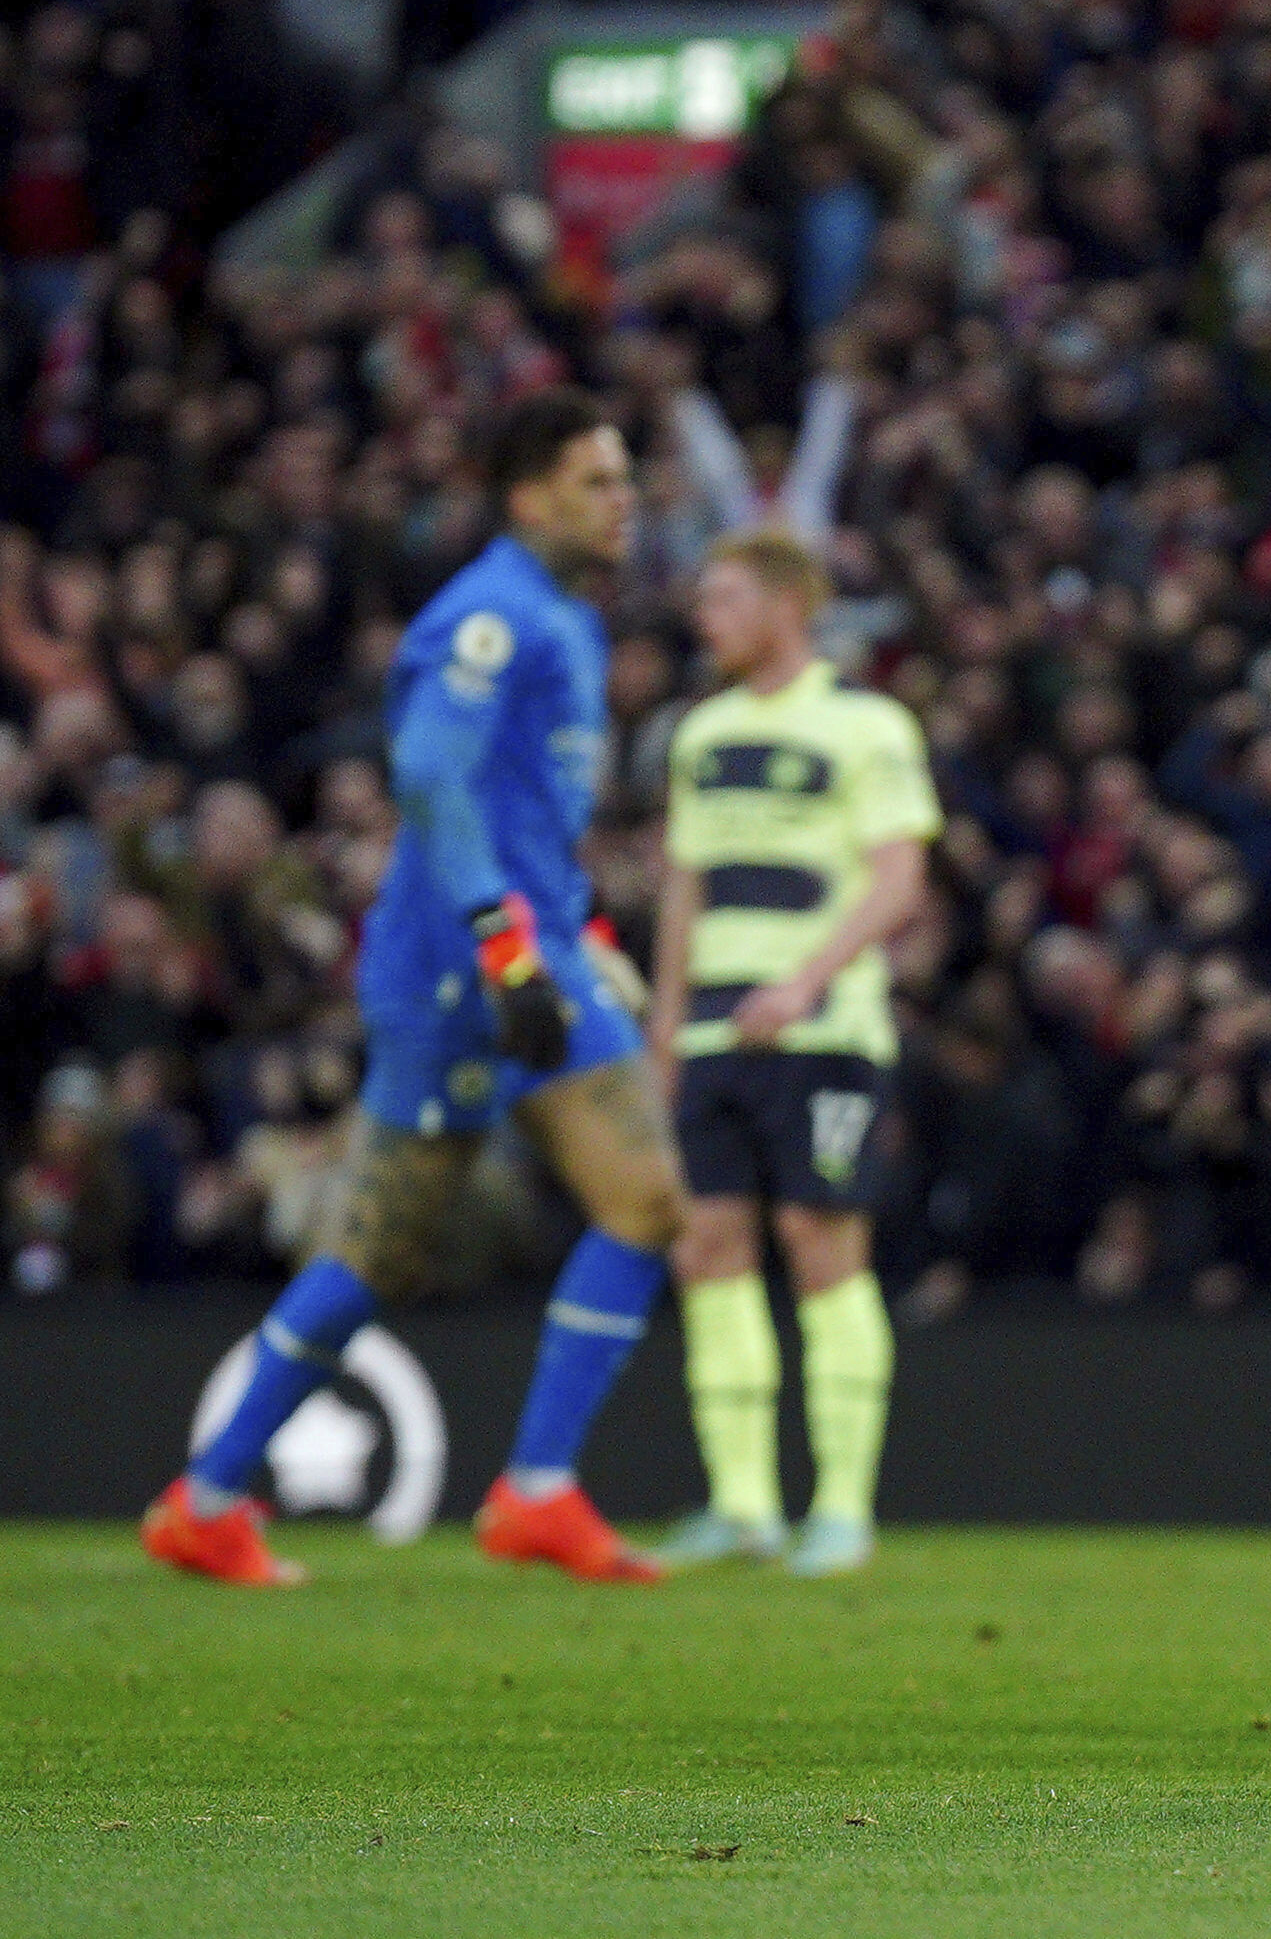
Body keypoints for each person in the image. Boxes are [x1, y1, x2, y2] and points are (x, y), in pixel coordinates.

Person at [144, 391, 684, 1586]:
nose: (622, 500)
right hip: (459, 973)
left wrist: (579, 924)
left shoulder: (569, 620)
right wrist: (504, 942)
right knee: (384, 1253)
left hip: (525, 954)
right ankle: (214, 1492)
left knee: (639, 1198)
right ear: (527, 493)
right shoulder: (490, 615)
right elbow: (429, 775)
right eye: (597, 479)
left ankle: (528, 1488)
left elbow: (525, 814)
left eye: (624, 478)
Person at [648, 529, 939, 1578]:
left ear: (786, 604)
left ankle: (842, 1510)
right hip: (713, 1034)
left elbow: (898, 878)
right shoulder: (699, 732)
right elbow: (683, 888)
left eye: (723, 596)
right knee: (708, 1248)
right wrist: (665, 1030)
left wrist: (805, 978)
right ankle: (742, 1505)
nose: (704, 615)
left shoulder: (865, 723)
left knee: (821, 1244)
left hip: (821, 1031)